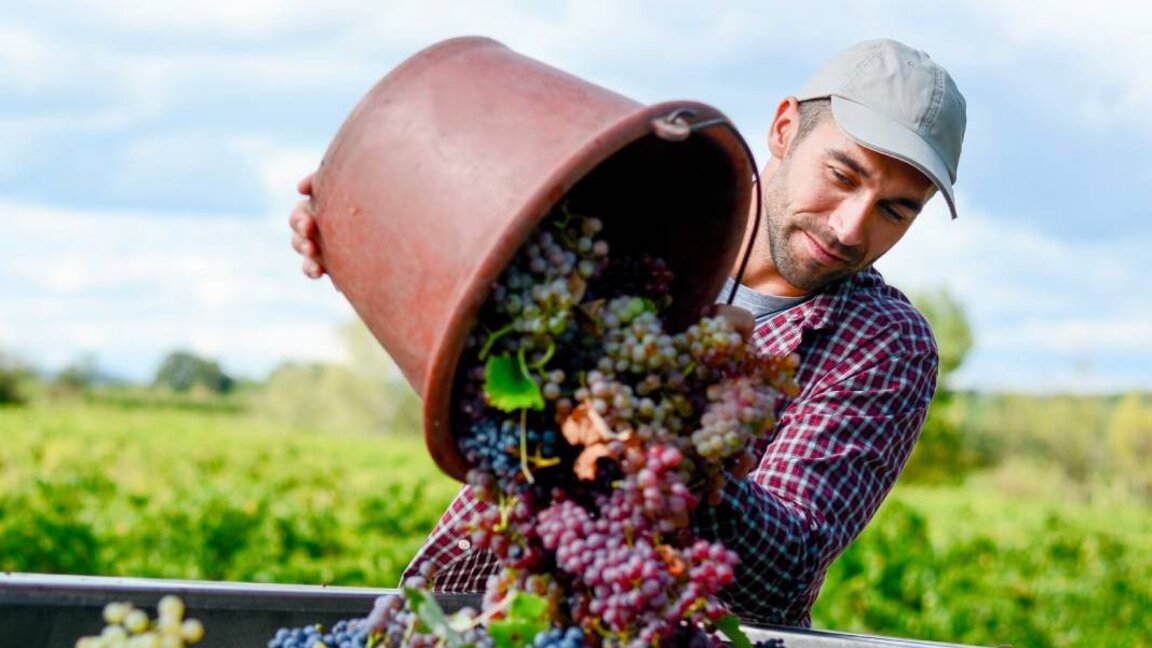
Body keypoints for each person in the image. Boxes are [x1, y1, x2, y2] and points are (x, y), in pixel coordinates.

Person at [288, 38, 966, 627]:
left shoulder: (881, 343)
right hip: (479, 607)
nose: (851, 227)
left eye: (895, 210)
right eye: (842, 175)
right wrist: (359, 221)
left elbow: (784, 571)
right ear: (785, 129)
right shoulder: (632, 220)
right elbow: (473, 324)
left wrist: (667, 447)